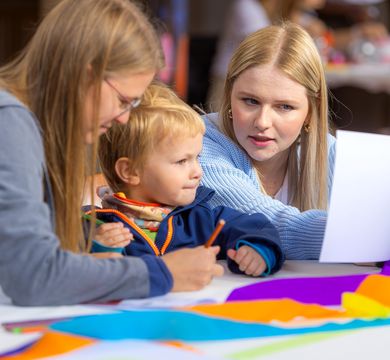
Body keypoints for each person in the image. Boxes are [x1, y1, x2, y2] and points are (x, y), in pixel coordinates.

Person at [0, 0, 223, 306]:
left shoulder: (27, 125)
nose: (124, 118)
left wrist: (87, 237)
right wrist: (161, 273)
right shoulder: (10, 123)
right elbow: (34, 275)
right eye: (123, 101)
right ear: (85, 76)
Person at [90, 83, 284, 278]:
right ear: (130, 171)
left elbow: (259, 228)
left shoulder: (202, 218)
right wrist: (98, 250)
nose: (197, 171)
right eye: (181, 161)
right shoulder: (93, 226)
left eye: (197, 158)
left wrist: (257, 251)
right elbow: (74, 278)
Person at [200, 22, 336, 260]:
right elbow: (264, 224)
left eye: (284, 107)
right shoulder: (197, 142)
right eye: (250, 101)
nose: (262, 122)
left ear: (311, 111)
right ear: (230, 96)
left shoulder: (330, 152)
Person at [207, 0, 296, 110]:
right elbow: (264, 42)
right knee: (220, 119)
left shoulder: (269, 8)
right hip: (228, 75)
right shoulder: (245, 5)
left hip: (249, 75)